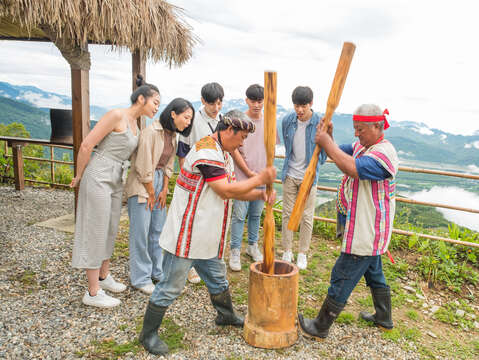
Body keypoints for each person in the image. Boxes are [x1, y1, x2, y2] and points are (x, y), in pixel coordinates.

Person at [138, 110, 276, 356]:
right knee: (171, 285)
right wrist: (260, 180)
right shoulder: (206, 151)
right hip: (187, 233)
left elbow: (232, 189)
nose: (243, 143)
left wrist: (260, 195)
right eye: (242, 137)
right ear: (228, 130)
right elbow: (224, 190)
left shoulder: (224, 153)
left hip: (207, 233)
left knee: (217, 278)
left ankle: (226, 315)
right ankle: (148, 334)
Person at [299, 104, 399, 339]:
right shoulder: (364, 146)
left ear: (377, 126)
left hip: (367, 229)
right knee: (374, 273)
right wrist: (329, 138)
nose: (356, 134)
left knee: (342, 274)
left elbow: (351, 167)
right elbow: (338, 154)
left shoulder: (383, 154)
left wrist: (326, 141)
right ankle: (383, 317)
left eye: (360, 129)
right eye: (355, 128)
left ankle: (320, 327)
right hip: (371, 228)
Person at [71, 75, 160, 308]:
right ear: (141, 98)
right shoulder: (116, 115)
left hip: (116, 177)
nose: (157, 107)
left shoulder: (137, 125)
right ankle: (92, 292)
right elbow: (87, 145)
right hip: (99, 173)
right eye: (155, 102)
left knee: (110, 228)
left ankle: (104, 275)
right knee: (96, 228)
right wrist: (79, 176)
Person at [125, 98, 195, 295]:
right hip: (142, 184)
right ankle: (140, 278)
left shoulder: (172, 135)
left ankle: (157, 271)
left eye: (190, 119)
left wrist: (164, 189)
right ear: (173, 114)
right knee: (141, 232)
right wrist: (150, 191)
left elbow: (168, 165)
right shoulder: (151, 132)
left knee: (158, 231)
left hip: (157, 182)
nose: (188, 122)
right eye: (186, 117)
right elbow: (142, 164)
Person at [176, 82, 224, 284]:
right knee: (192, 222)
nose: (216, 107)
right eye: (212, 103)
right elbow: (182, 150)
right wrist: (186, 177)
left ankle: (206, 262)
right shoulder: (193, 121)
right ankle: (189, 267)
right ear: (203, 101)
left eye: (219, 102)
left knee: (210, 222)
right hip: (196, 178)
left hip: (216, 178)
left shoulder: (223, 120)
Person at [229, 84, 280, 271]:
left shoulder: (269, 121)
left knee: (257, 214)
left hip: (262, 177)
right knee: (239, 215)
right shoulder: (240, 120)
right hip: (243, 176)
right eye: (253, 101)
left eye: (260, 101)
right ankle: (234, 250)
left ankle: (252, 245)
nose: (256, 105)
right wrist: (249, 172)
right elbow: (234, 150)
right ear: (246, 101)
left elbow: (272, 149)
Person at [280, 86, 326, 270]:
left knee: (307, 216)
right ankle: (287, 250)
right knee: (286, 213)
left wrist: (313, 169)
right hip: (290, 174)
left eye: (303, 106)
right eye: (296, 105)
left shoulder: (320, 123)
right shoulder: (287, 121)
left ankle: (302, 253)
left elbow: (323, 154)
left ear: (311, 104)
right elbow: (288, 147)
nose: (299, 110)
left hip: (310, 177)